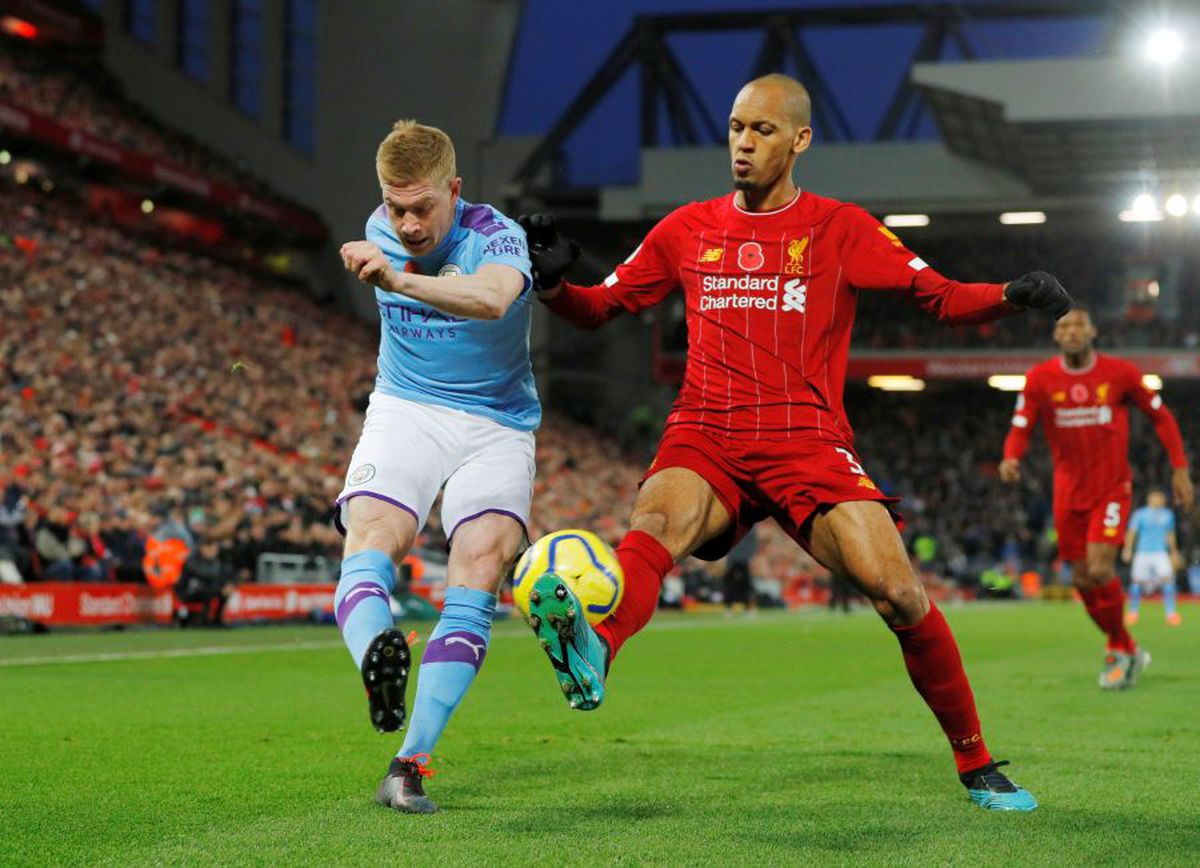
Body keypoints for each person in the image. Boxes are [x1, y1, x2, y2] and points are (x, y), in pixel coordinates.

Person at [519, 73, 1071, 812]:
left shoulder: (840, 229)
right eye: (736, 128)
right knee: (653, 524)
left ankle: (975, 762)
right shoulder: (686, 229)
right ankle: (596, 649)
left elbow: (937, 295)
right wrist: (556, 286)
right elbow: (601, 307)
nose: (743, 144)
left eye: (762, 131)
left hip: (805, 441)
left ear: (800, 139)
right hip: (705, 432)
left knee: (900, 592)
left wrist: (1007, 297)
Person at [335, 120, 538, 814]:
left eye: (423, 206)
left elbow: (491, 299)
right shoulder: (379, 226)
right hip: (407, 407)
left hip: (497, 422)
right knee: (370, 537)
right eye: (395, 208)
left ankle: (408, 762)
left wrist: (396, 276)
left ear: (455, 190)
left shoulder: (498, 235)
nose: (409, 222)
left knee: (478, 565)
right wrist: (389, 257)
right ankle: (377, 658)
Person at [1000, 308, 1192, 688]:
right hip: (1067, 494)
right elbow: (1021, 425)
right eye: (1064, 326)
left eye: (1078, 325)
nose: (1071, 331)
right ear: (1056, 336)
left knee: (1101, 569)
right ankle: (1124, 644)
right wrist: (1010, 456)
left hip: (1112, 489)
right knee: (1083, 580)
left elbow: (1161, 416)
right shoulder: (1040, 378)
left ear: (1093, 331)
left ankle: (1120, 648)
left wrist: (1180, 467)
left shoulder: (1120, 373)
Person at [1122, 488, 1183, 627]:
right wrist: (1128, 549)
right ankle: (1133, 613)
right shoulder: (1140, 514)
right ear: (1149, 499)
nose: (1159, 500)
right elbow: (1132, 532)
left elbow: (1170, 534)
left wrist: (1173, 552)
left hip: (1160, 553)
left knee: (1168, 581)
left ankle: (1171, 613)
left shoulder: (1168, 515)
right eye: (1156, 497)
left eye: (1161, 498)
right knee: (1137, 583)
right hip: (1142, 553)